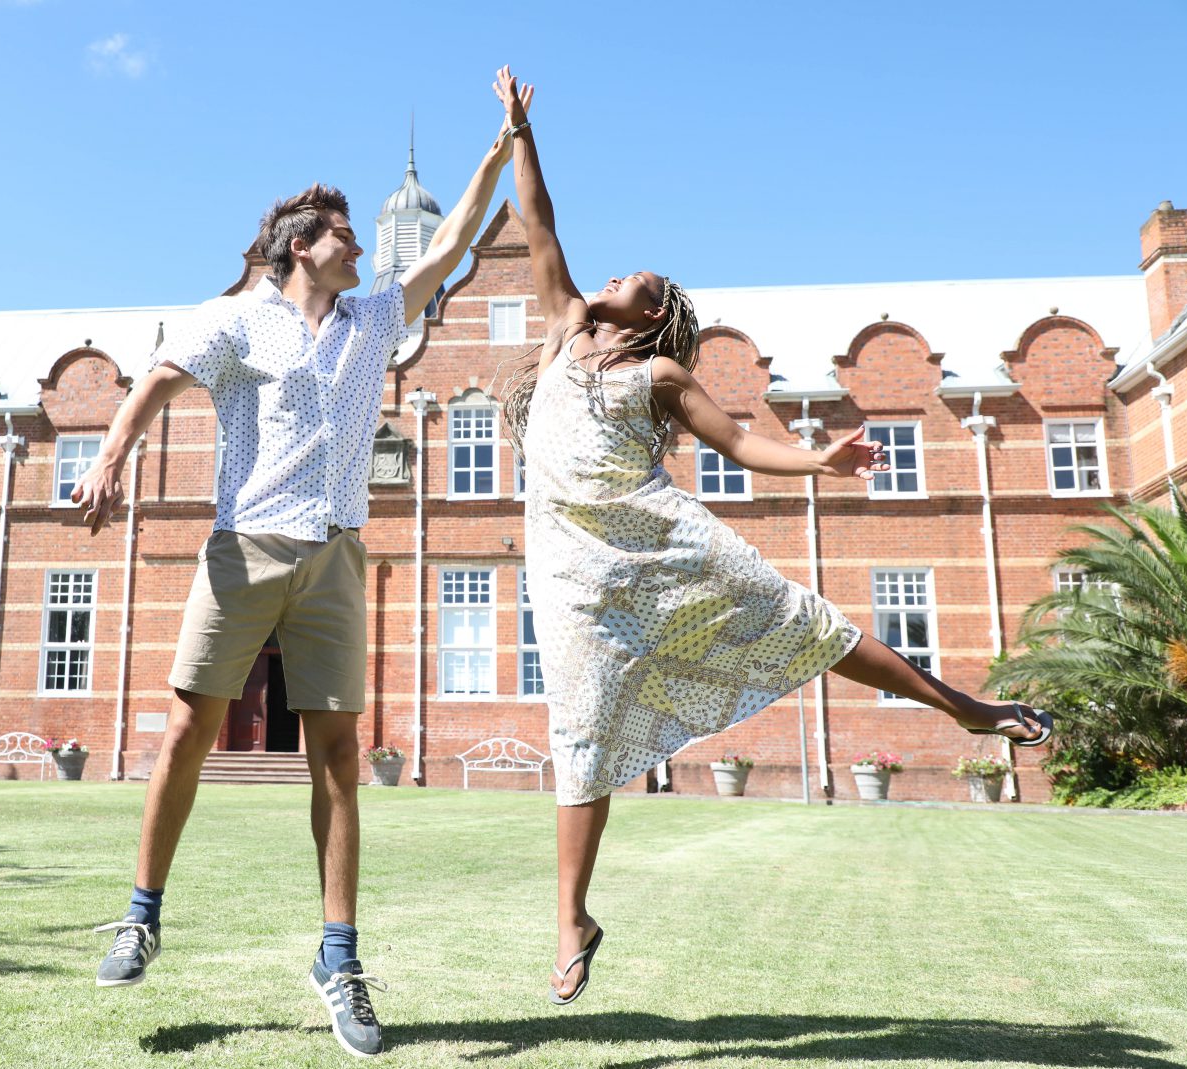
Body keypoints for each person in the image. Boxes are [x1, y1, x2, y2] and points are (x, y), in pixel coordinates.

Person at [490, 66, 1053, 1007]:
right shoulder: (560, 329)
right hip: (571, 568)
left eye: (635, 280)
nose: (613, 275)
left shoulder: (662, 372)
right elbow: (540, 223)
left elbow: (743, 441)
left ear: (654, 315)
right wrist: (519, 133)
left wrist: (822, 462)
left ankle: (964, 708)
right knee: (579, 733)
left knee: (807, 621)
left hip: (660, 544)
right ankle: (571, 920)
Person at [69, 94, 527, 1058]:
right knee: (190, 727)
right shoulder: (237, 319)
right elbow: (156, 377)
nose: (361, 244)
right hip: (244, 548)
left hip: (335, 554)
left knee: (338, 763)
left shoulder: (372, 318)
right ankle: (141, 915)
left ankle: (340, 957)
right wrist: (110, 457)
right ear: (300, 246)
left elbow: (445, 247)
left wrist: (498, 153)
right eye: (345, 234)